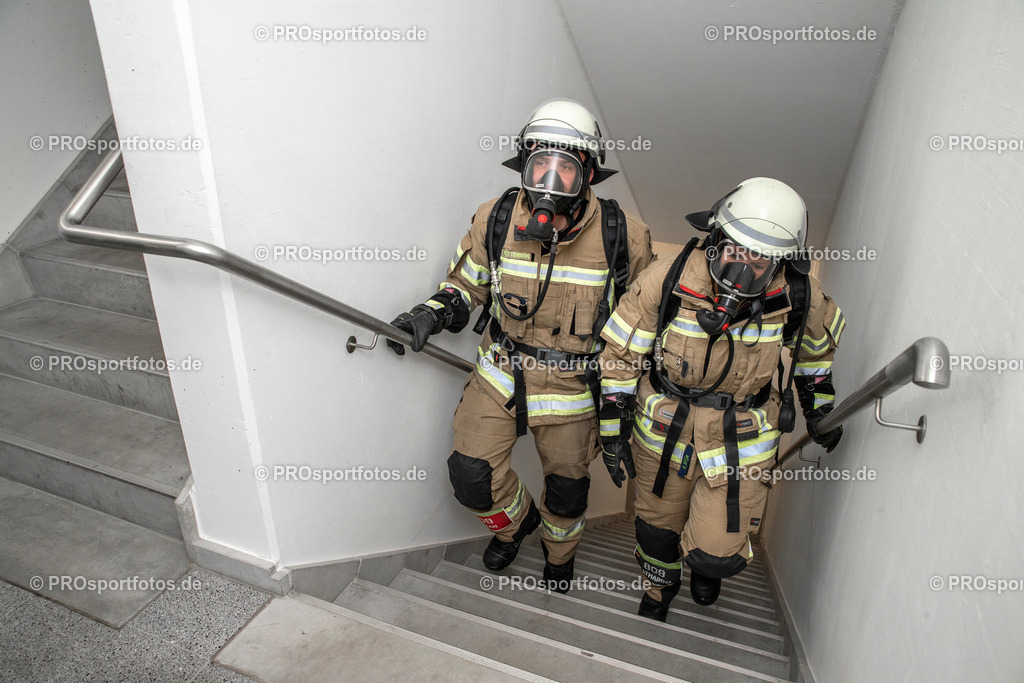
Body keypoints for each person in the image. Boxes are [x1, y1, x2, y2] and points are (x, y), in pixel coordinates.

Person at [387, 98, 653, 590]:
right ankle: (515, 526)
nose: (549, 182)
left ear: (589, 175)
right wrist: (434, 310)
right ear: (523, 166)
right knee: (470, 479)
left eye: (565, 170)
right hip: (500, 372)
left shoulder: (625, 238)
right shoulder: (497, 216)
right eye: (539, 166)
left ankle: (559, 554)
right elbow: (468, 283)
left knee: (568, 494)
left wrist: (628, 402)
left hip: (575, 390)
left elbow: (640, 323)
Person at [596, 177, 844, 620]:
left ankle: (704, 562)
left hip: (739, 440)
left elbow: (817, 354)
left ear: (780, 263)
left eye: (759, 261)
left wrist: (819, 405)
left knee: (717, 552)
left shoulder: (799, 296)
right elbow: (619, 354)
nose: (741, 270)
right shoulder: (667, 279)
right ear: (715, 240)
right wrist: (613, 430)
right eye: (733, 253)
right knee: (655, 531)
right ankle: (659, 591)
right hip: (663, 436)